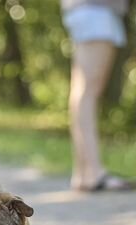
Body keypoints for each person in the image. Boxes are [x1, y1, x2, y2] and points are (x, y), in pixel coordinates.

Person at [61, 0, 132, 191]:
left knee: (83, 91)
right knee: (88, 91)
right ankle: (94, 172)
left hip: (90, 11)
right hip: (96, 11)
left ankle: (84, 172)